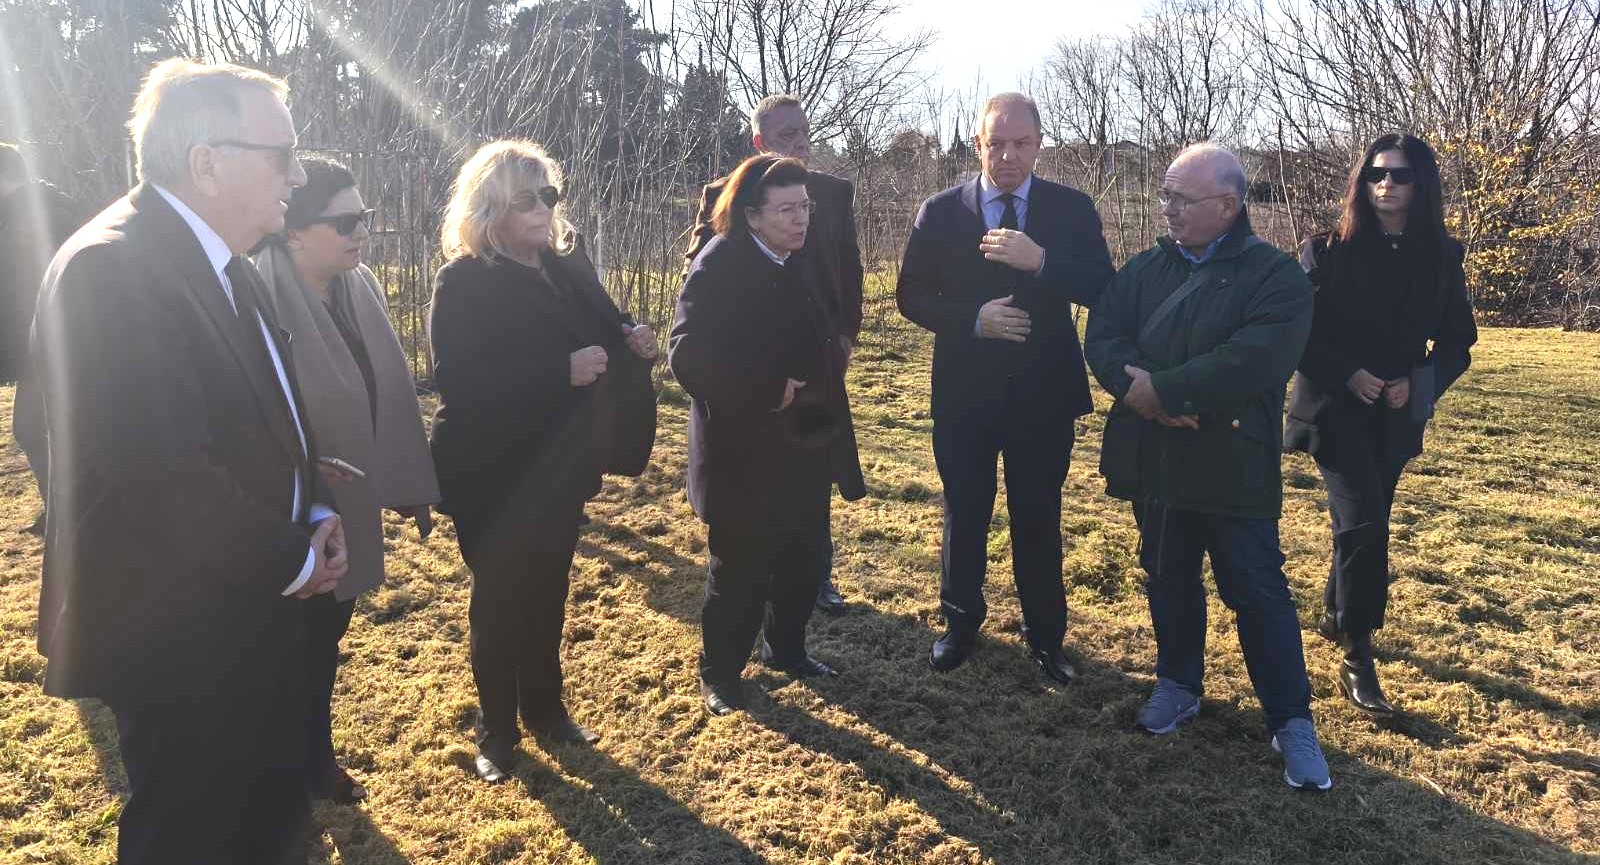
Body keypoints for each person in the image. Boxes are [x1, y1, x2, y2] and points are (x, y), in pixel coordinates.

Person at [31, 59, 347, 863]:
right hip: (181, 637)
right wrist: (295, 556)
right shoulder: (114, 268)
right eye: (282, 154)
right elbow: (160, 474)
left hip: (246, 613)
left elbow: (267, 418)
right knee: (193, 835)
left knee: (263, 827)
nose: (298, 175)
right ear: (206, 163)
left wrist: (313, 507)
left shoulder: (221, 257)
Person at [1083, 143, 1331, 791]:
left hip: (1234, 464)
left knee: (1258, 590)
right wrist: (1141, 392)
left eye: (1181, 199)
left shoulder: (1277, 276)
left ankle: (1291, 719)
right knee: (1167, 575)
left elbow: (1256, 358)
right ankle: (1178, 682)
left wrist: (1163, 391)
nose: (1167, 209)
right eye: (1165, 195)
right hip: (1158, 458)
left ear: (1228, 204)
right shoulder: (1144, 269)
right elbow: (1104, 334)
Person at [429, 140, 658, 783]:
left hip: (558, 467)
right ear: (490, 209)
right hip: (490, 472)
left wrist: (632, 336)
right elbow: (459, 380)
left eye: (548, 195)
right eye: (525, 199)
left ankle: (546, 710)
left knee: (548, 592)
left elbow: (605, 324)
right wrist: (559, 371)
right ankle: (497, 731)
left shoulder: (564, 268)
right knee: (501, 600)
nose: (541, 209)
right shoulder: (464, 281)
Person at [895, 92, 1114, 684]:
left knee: (1038, 514)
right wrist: (973, 319)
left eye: (1021, 143)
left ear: (1040, 144)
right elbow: (910, 295)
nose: (1009, 155)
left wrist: (1042, 261)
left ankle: (1045, 636)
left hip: (1043, 395)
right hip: (965, 395)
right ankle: (960, 624)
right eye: (997, 144)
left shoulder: (1070, 209)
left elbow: (1103, 287)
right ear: (978, 145)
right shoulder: (942, 211)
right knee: (965, 511)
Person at [253, 156, 441, 803]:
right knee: (287, 643)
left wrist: (401, 478)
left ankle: (312, 757)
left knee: (325, 636)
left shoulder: (356, 286)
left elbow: (384, 389)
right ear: (294, 232)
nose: (362, 230)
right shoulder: (256, 298)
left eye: (365, 216)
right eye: (344, 222)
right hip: (285, 508)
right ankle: (288, 767)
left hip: (348, 497)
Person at [1286, 133, 1477, 716]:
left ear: (1422, 184)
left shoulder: (1441, 255)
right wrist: (1348, 374)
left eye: (1399, 175)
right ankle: (1357, 655)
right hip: (1334, 409)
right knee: (1365, 522)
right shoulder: (1325, 250)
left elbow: (1459, 341)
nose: (1386, 184)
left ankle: (1336, 613)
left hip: (1394, 416)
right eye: (1375, 173)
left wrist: (1418, 383)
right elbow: (1295, 330)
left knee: (1364, 524)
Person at [670, 153, 866, 717]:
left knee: (802, 556)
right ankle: (720, 675)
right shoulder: (719, 265)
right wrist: (765, 389)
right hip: (743, 450)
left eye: (804, 206)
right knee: (741, 568)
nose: (800, 219)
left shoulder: (794, 256)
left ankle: (787, 650)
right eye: (785, 210)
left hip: (804, 440)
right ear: (751, 214)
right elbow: (687, 356)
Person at [685, 94, 865, 615]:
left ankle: (816, 576)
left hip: (818, 360)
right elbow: (698, 270)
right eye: (788, 135)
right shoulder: (725, 194)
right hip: (755, 364)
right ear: (760, 142)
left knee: (813, 468)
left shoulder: (833, 193)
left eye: (805, 131)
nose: (801, 142)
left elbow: (849, 268)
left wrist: (846, 336)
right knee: (755, 476)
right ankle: (749, 580)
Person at [0, 141, 79, 531]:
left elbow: (23, 291)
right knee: (39, 428)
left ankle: (68, 515)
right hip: (46, 344)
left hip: (57, 344)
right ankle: (63, 512)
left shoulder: (35, 216)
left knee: (34, 426)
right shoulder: (30, 211)